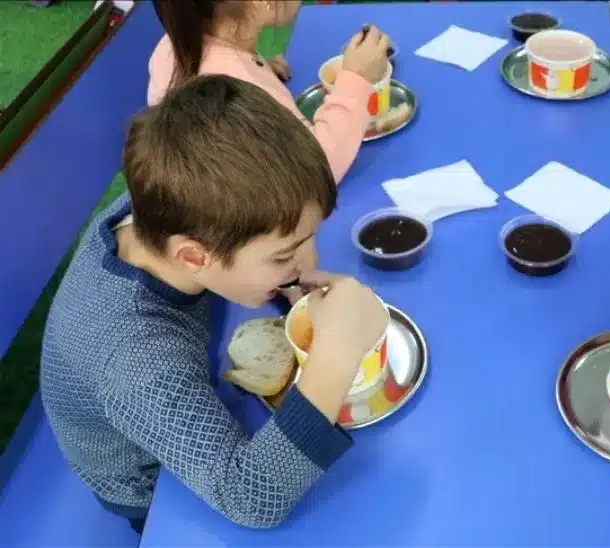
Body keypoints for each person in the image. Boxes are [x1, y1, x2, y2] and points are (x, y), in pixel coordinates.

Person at [40, 75, 388, 533]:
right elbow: (251, 499)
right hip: (150, 486)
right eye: (285, 254)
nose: (312, 261)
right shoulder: (136, 361)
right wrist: (337, 357)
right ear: (193, 256)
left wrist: (281, 278)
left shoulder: (163, 208)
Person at [149, 0, 390, 184]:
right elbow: (318, 169)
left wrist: (260, 68)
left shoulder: (174, 45)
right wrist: (357, 79)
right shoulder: (238, 91)